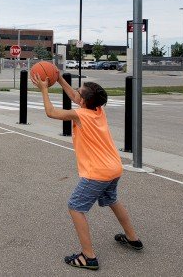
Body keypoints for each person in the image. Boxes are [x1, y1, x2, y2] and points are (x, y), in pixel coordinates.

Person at [31, 71, 143, 270]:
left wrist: (45, 90)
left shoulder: (80, 115)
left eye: (79, 93)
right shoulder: (98, 110)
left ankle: (88, 256)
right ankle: (132, 238)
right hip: (114, 168)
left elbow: (51, 112)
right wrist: (60, 79)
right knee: (112, 200)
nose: (76, 94)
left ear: (83, 102)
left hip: (97, 173)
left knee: (75, 207)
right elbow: (76, 96)